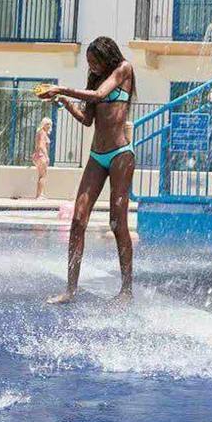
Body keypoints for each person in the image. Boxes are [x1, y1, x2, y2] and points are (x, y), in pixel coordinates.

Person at [39, 37, 138, 305]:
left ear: (108, 58)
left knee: (117, 224)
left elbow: (99, 96)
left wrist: (62, 87)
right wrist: (64, 102)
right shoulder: (95, 79)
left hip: (120, 155)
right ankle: (70, 290)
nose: (92, 67)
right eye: (89, 63)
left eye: (95, 62)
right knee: (78, 220)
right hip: (97, 155)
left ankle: (126, 290)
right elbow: (88, 120)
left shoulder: (124, 70)